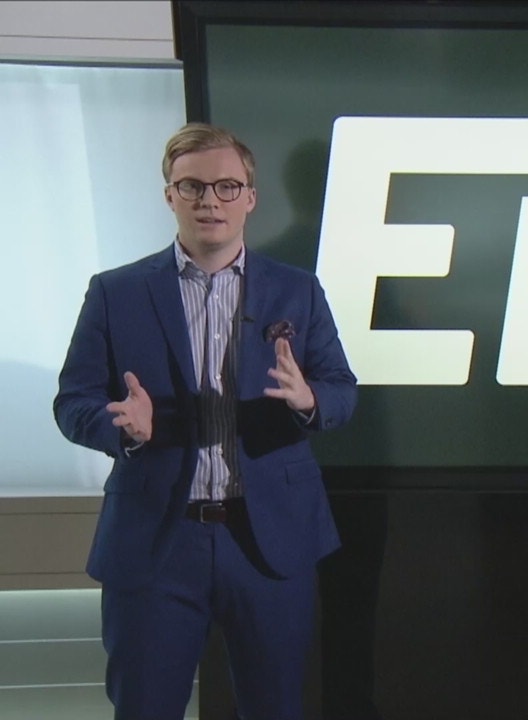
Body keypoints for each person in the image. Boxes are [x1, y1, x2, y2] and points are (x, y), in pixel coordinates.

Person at [54, 122, 357, 720]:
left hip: (269, 539)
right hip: (156, 541)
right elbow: (73, 402)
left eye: (225, 187)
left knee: (276, 707)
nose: (209, 201)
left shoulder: (298, 290)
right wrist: (122, 429)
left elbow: (342, 390)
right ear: (170, 195)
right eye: (192, 186)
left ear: (250, 197)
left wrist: (308, 400)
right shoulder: (115, 292)